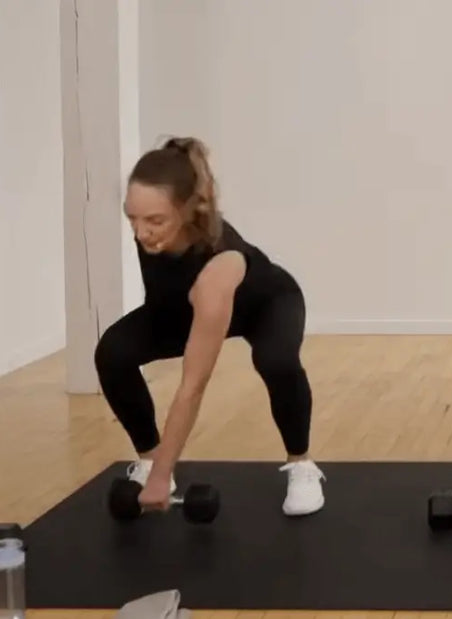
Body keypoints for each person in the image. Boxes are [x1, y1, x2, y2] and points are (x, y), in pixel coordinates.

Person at [93, 136, 325, 517]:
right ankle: (150, 460)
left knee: (276, 361)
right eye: (131, 217)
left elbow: (193, 385)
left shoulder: (219, 266)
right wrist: (159, 472)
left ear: (187, 210)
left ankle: (302, 464)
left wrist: (169, 468)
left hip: (265, 305)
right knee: (113, 352)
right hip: (178, 307)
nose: (140, 232)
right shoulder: (152, 230)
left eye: (154, 221)